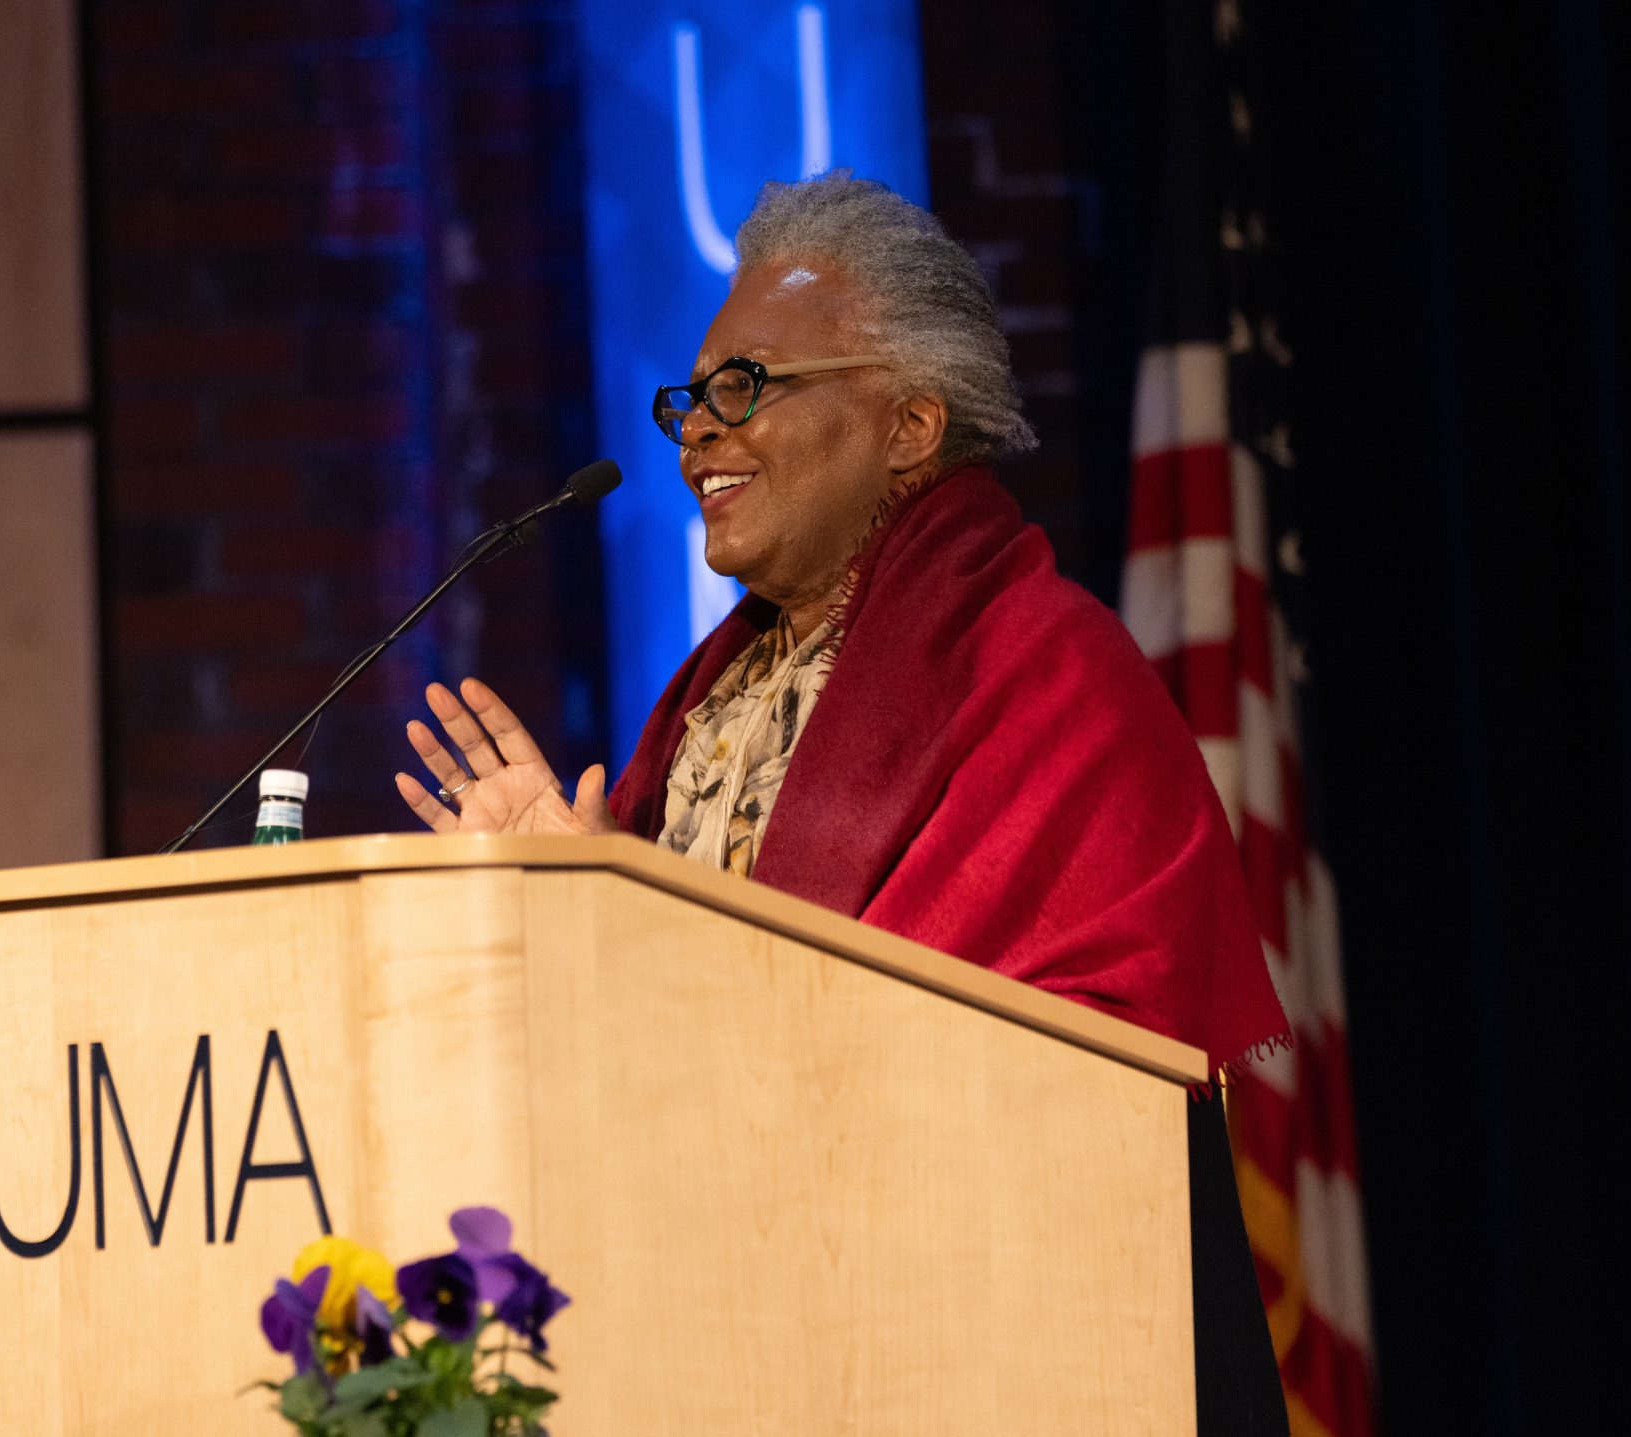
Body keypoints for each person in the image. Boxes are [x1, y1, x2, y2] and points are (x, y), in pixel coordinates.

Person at [393, 173, 1285, 1078]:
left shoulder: (1048, 675)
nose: (695, 432)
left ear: (910, 426)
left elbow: (1060, 1053)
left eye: (741, 387)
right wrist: (588, 896)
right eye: (691, 401)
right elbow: (690, 1021)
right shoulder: (719, 694)